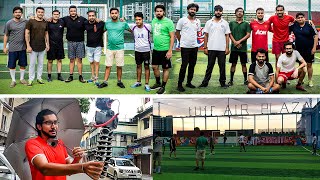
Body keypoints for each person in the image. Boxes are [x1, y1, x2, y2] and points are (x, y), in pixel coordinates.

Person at [25, 109, 104, 180]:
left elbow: (70, 171)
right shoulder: (32, 143)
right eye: (48, 123)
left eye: (55, 122)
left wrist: (77, 158)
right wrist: (82, 167)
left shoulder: (60, 143)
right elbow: (44, 168)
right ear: (39, 126)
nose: (53, 126)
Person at [98, 7, 132, 89]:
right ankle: (105, 82)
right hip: (110, 48)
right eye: (112, 13)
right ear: (110, 14)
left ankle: (119, 81)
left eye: (115, 13)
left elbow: (132, 30)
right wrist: (98, 22)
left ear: (118, 14)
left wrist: (126, 21)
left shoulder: (123, 23)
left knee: (119, 66)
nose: (114, 15)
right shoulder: (107, 23)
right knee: (108, 66)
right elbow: (101, 31)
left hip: (120, 48)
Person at [199, 5, 230, 88]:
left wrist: (227, 48)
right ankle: (205, 83)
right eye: (216, 10)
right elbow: (206, 35)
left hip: (221, 49)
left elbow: (227, 36)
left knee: (222, 67)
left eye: (220, 10)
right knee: (209, 66)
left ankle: (223, 83)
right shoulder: (209, 22)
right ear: (214, 11)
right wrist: (205, 47)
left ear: (222, 12)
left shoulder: (225, 23)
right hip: (211, 48)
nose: (218, 12)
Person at [176, 3, 201, 92]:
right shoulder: (182, 20)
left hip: (194, 47)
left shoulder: (198, 21)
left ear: (196, 11)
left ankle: (189, 82)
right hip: (185, 47)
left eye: (194, 10)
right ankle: (179, 84)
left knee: (192, 65)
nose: (192, 11)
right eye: (191, 9)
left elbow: (197, 33)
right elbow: (177, 32)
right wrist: (181, 41)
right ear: (188, 10)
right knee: (184, 65)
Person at [151, 4, 175, 94]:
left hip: (165, 49)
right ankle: (158, 83)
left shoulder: (169, 22)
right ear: (155, 12)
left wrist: (170, 50)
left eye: (160, 11)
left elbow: (172, 37)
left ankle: (163, 86)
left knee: (165, 68)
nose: (159, 13)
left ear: (163, 12)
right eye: (157, 11)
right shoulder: (153, 21)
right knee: (154, 67)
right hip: (156, 49)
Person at [289, 12, 318, 87]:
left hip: (309, 49)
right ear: (296, 19)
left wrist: (314, 48)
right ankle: (301, 80)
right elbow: (287, 27)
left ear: (304, 18)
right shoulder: (294, 25)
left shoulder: (310, 25)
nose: (300, 19)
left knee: (309, 65)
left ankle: (310, 80)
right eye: (298, 18)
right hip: (298, 49)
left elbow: (316, 36)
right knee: (301, 65)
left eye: (302, 17)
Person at [3, 6, 28, 88]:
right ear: (13, 13)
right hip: (12, 48)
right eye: (16, 12)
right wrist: (5, 47)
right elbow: (6, 35)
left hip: (23, 48)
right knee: (12, 65)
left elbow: (34, 20)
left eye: (19, 12)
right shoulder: (9, 23)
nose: (18, 14)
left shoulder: (25, 21)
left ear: (22, 13)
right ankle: (13, 80)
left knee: (22, 64)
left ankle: (21, 79)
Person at [25, 7, 49, 86]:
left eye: (42, 12)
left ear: (43, 13)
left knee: (41, 64)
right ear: (36, 12)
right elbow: (27, 33)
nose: (40, 13)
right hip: (32, 47)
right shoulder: (30, 21)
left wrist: (47, 44)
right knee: (32, 64)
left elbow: (46, 34)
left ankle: (39, 78)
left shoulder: (45, 22)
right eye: (39, 12)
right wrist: (28, 45)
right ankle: (31, 79)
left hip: (42, 47)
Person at [62, 5, 87, 83]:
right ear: (69, 12)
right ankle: (71, 76)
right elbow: (55, 19)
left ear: (76, 11)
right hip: (70, 42)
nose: (73, 12)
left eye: (74, 11)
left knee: (79, 60)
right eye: (71, 11)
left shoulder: (82, 19)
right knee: (72, 60)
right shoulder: (65, 19)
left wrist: (97, 19)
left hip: (80, 42)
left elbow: (91, 22)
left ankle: (80, 76)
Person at [228, 7, 251, 86]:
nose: (239, 13)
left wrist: (239, 42)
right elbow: (229, 33)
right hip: (234, 48)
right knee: (233, 64)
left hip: (243, 48)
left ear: (243, 14)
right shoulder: (231, 23)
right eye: (238, 11)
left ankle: (245, 80)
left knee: (243, 64)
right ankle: (231, 80)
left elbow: (248, 35)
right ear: (235, 13)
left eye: (241, 11)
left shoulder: (246, 24)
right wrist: (235, 42)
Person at [130, 12, 152, 92]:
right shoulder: (133, 27)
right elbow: (125, 26)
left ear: (143, 19)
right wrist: (122, 21)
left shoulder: (148, 27)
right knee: (138, 66)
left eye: (139, 19)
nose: (138, 21)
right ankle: (138, 82)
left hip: (146, 51)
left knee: (146, 67)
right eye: (136, 20)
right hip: (137, 50)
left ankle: (146, 84)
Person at [84, 10, 105, 85]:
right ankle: (92, 77)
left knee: (97, 62)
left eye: (93, 15)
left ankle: (96, 78)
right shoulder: (85, 23)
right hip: (89, 46)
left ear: (95, 16)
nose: (91, 17)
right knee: (91, 62)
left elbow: (109, 24)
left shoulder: (101, 23)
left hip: (98, 46)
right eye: (90, 16)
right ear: (88, 17)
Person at [47, 10, 65, 82]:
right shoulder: (48, 22)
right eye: (54, 14)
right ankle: (49, 76)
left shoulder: (62, 22)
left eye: (57, 14)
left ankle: (59, 75)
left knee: (59, 60)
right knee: (50, 60)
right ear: (52, 15)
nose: (56, 15)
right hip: (51, 44)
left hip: (60, 44)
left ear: (59, 15)